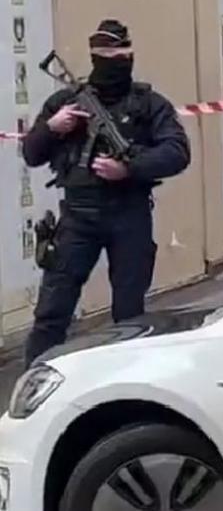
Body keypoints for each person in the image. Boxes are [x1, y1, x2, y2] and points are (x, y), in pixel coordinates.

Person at [21, 19, 191, 366]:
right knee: (52, 312)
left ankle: (126, 382)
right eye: (105, 56)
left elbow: (176, 152)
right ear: (93, 58)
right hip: (77, 217)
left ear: (130, 56)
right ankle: (33, 381)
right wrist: (52, 128)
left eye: (119, 55)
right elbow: (32, 154)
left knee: (130, 316)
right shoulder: (66, 102)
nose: (113, 63)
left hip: (129, 214)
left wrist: (129, 168)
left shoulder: (149, 104)